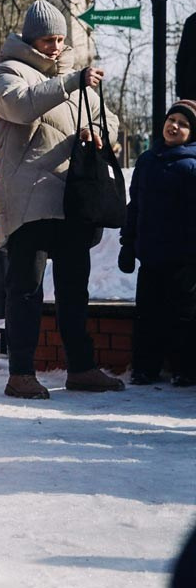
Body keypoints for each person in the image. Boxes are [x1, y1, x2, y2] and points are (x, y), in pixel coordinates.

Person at [0, 0, 124, 399]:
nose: (56, 47)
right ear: (31, 39)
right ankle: (21, 373)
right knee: (26, 290)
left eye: (61, 39)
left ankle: (81, 368)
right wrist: (70, 83)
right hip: (28, 197)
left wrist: (97, 133)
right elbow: (20, 105)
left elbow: (109, 118)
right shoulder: (7, 72)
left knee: (74, 290)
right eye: (49, 39)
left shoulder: (72, 79)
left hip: (71, 199)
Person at [120, 101, 196, 385]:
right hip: (150, 256)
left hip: (183, 260)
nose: (174, 126)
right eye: (171, 119)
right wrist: (128, 244)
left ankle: (185, 369)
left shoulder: (192, 165)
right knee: (147, 316)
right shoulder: (147, 160)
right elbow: (135, 206)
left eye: (183, 124)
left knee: (183, 317)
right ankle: (144, 368)